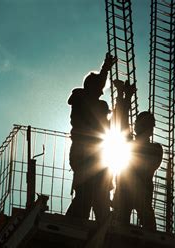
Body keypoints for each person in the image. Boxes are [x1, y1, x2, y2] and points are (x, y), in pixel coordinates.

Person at [65, 53, 117, 223]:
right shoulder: (86, 102)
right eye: (100, 87)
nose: (102, 91)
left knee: (93, 195)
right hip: (88, 155)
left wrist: (106, 68)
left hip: (91, 155)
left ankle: (86, 221)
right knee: (88, 195)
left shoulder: (85, 101)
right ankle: (79, 222)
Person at [113, 107, 163, 230]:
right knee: (120, 225)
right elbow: (122, 123)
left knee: (148, 226)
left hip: (139, 191)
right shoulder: (130, 143)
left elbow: (150, 166)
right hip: (128, 190)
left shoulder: (155, 148)